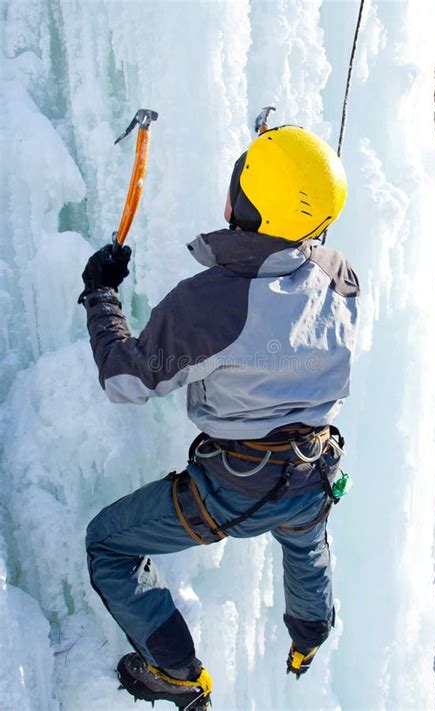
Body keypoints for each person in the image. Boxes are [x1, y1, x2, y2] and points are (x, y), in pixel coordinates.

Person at [81, 124, 359, 710]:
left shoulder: (211, 302)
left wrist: (101, 296)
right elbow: (294, 257)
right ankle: (309, 639)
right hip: (313, 471)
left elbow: (126, 379)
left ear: (247, 206)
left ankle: (181, 674)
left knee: (107, 546)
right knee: (305, 543)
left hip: (233, 487)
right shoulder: (341, 278)